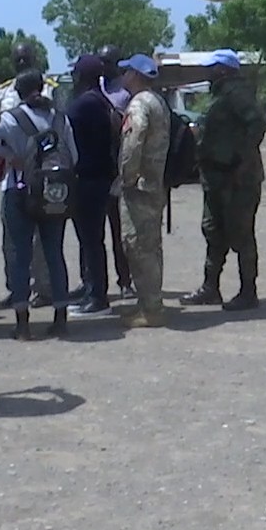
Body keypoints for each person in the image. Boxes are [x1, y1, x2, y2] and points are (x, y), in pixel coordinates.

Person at [0, 69, 79, 338]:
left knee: (19, 256)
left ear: (18, 93)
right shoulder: (61, 119)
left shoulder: (12, 119)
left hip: (18, 189)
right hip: (54, 192)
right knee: (54, 255)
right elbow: (74, 156)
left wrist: (10, 154)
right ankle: (61, 318)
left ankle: (23, 323)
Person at [182, 50, 266, 311]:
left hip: (237, 179)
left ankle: (248, 292)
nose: (209, 73)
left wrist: (240, 161)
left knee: (240, 233)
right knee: (213, 231)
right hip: (216, 177)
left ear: (224, 69)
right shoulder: (221, 95)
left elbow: (257, 125)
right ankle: (211, 288)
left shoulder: (237, 94)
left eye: (213, 68)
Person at [0, 41, 56, 307]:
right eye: (17, 59)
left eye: (25, 58)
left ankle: (43, 288)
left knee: (43, 241)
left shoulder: (50, 89)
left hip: (42, 174)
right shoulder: (3, 92)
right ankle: (16, 288)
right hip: (12, 173)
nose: (21, 63)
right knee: (12, 238)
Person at [115, 53, 172, 328]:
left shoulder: (138, 104)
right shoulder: (158, 101)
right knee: (151, 245)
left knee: (138, 246)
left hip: (139, 185)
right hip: (155, 182)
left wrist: (126, 176)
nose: (123, 76)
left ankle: (151, 308)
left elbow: (133, 142)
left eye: (127, 72)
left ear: (135, 75)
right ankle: (149, 303)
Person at [66, 53, 120, 317]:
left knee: (91, 240)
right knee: (90, 239)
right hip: (98, 177)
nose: (73, 77)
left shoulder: (85, 103)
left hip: (89, 178)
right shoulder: (99, 100)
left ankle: (98, 296)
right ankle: (91, 287)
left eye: (76, 73)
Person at [97, 43, 135, 298]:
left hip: (118, 166)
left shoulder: (125, 91)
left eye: (106, 62)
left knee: (120, 231)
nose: (103, 67)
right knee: (94, 233)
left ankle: (125, 281)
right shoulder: (96, 87)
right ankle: (95, 283)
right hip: (97, 166)